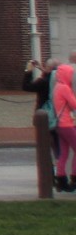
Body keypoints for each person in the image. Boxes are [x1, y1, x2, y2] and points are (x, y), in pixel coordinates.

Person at [53, 61, 76, 193]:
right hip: (67, 124)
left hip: (60, 124)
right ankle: (74, 177)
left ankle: (60, 180)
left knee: (64, 153)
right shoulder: (65, 88)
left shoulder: (57, 87)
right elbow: (74, 104)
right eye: (71, 74)